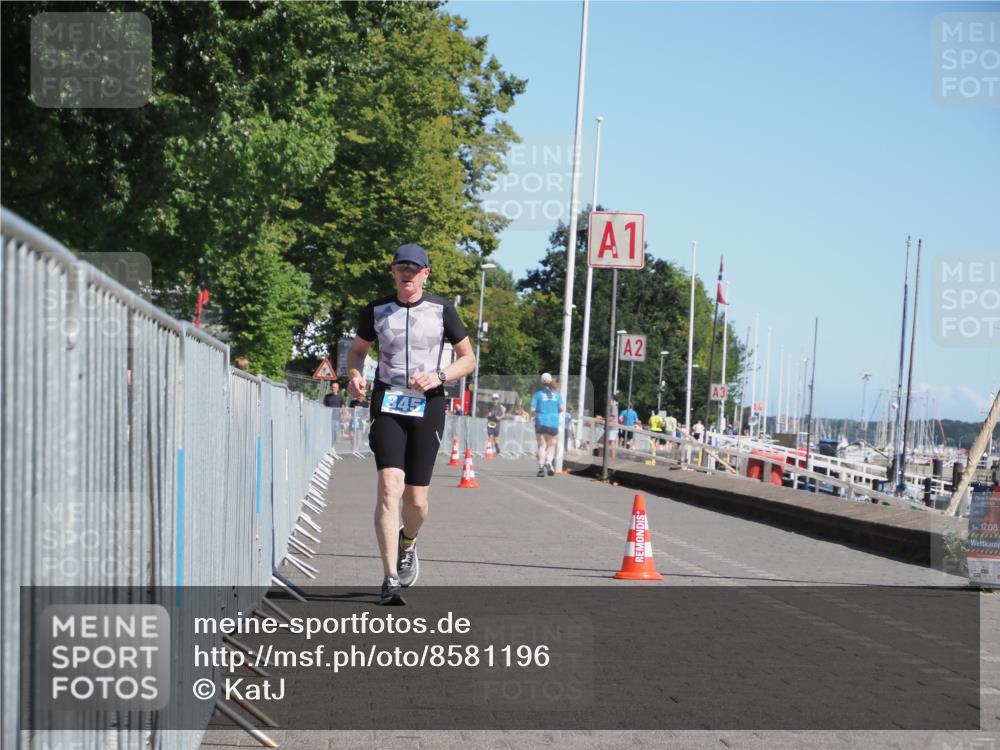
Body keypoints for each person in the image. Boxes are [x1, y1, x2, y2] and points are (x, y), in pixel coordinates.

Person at [346, 243, 476, 605]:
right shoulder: (376, 310)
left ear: (425, 274)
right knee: (390, 485)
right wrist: (355, 375)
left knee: (416, 500)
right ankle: (390, 578)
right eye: (401, 266)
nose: (407, 273)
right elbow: (357, 350)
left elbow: (468, 359)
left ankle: (408, 542)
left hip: (429, 403)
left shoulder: (441, 309)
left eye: (414, 268)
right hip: (388, 399)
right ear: (392, 271)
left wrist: (440, 375)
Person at [530, 372, 563, 477]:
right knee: (551, 445)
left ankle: (540, 468)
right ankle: (548, 462)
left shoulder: (537, 395)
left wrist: (536, 413)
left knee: (542, 445)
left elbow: (532, 409)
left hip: (540, 421)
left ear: (541, 382)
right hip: (553, 422)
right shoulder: (557, 395)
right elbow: (562, 408)